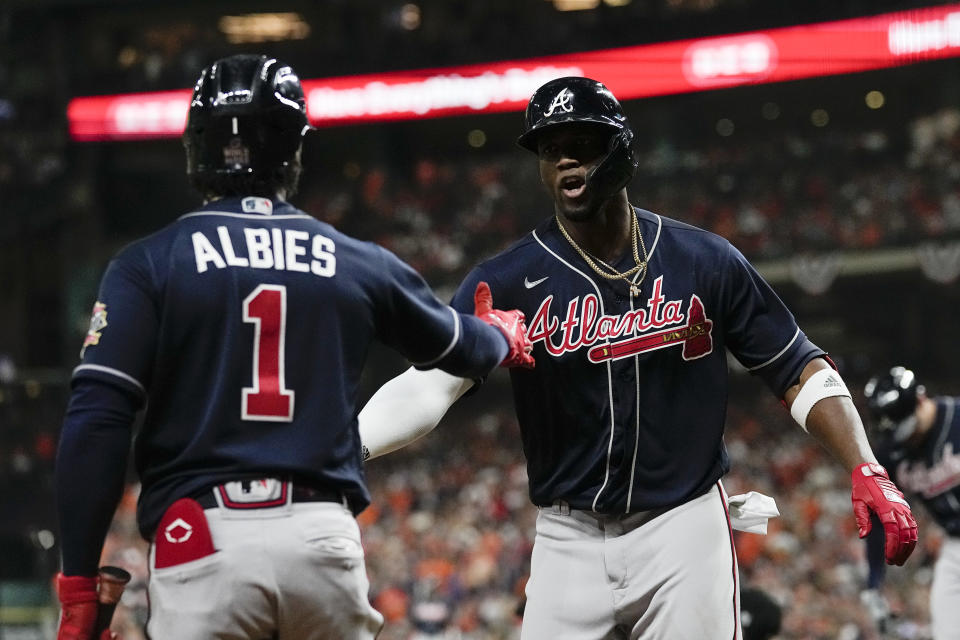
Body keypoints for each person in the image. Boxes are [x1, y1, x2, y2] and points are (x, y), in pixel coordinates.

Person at [358, 76, 918, 639]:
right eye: (551, 150)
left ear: (621, 150)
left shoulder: (704, 260)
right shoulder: (505, 282)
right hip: (567, 535)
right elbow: (432, 384)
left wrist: (864, 462)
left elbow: (796, 367)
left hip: (683, 524)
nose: (566, 162)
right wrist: (347, 445)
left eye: (583, 143)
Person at [53, 53, 533, 640]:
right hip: (322, 538)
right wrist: (501, 335)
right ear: (293, 150)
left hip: (202, 537)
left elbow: (97, 418)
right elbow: (461, 348)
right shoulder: (356, 259)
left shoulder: (150, 263)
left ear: (195, 148)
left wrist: (78, 583)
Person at [861, 366, 960, 640]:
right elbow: (880, 516)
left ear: (921, 399)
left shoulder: (957, 418)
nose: (906, 438)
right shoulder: (893, 452)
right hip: (954, 545)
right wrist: (874, 582)